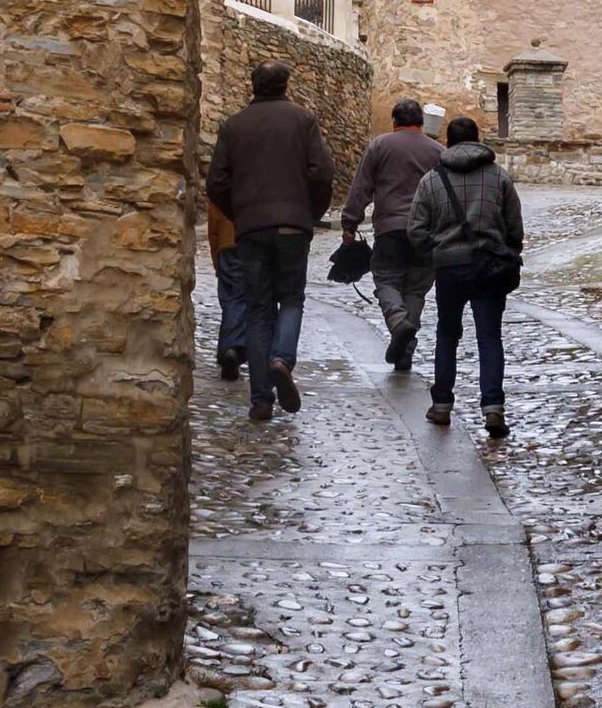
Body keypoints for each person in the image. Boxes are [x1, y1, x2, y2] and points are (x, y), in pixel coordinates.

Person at [202, 58, 337, 420]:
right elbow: (322, 172)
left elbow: (216, 182)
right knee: (291, 298)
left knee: (258, 309)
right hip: (294, 225)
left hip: (251, 229)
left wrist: (241, 212)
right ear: (285, 85)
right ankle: (282, 358)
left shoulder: (233, 126)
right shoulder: (303, 120)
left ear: (254, 85)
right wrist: (310, 213)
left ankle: (261, 400)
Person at [406, 109, 528, 439]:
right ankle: (493, 408)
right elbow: (515, 225)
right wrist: (508, 249)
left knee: (448, 334)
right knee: (489, 338)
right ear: (477, 140)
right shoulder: (498, 176)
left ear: (448, 142)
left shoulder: (432, 179)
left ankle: (442, 404)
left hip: (449, 269)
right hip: (489, 266)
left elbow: (415, 230)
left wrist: (436, 252)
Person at [340, 95, 440, 379]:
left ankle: (398, 321)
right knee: (416, 289)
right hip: (425, 229)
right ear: (421, 122)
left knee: (385, 278)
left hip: (390, 227)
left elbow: (362, 187)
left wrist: (350, 223)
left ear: (394, 121)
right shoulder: (437, 151)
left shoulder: (380, 146)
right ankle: (405, 350)